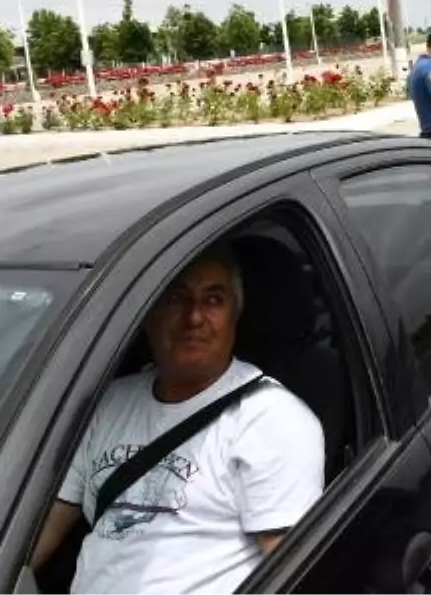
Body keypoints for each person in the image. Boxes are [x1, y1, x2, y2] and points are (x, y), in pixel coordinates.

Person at [31, 244, 325, 594]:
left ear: (235, 316)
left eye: (213, 300)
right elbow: (35, 538)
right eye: (176, 298)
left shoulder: (271, 420)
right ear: (148, 315)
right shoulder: (108, 404)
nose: (194, 318)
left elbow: (293, 575)